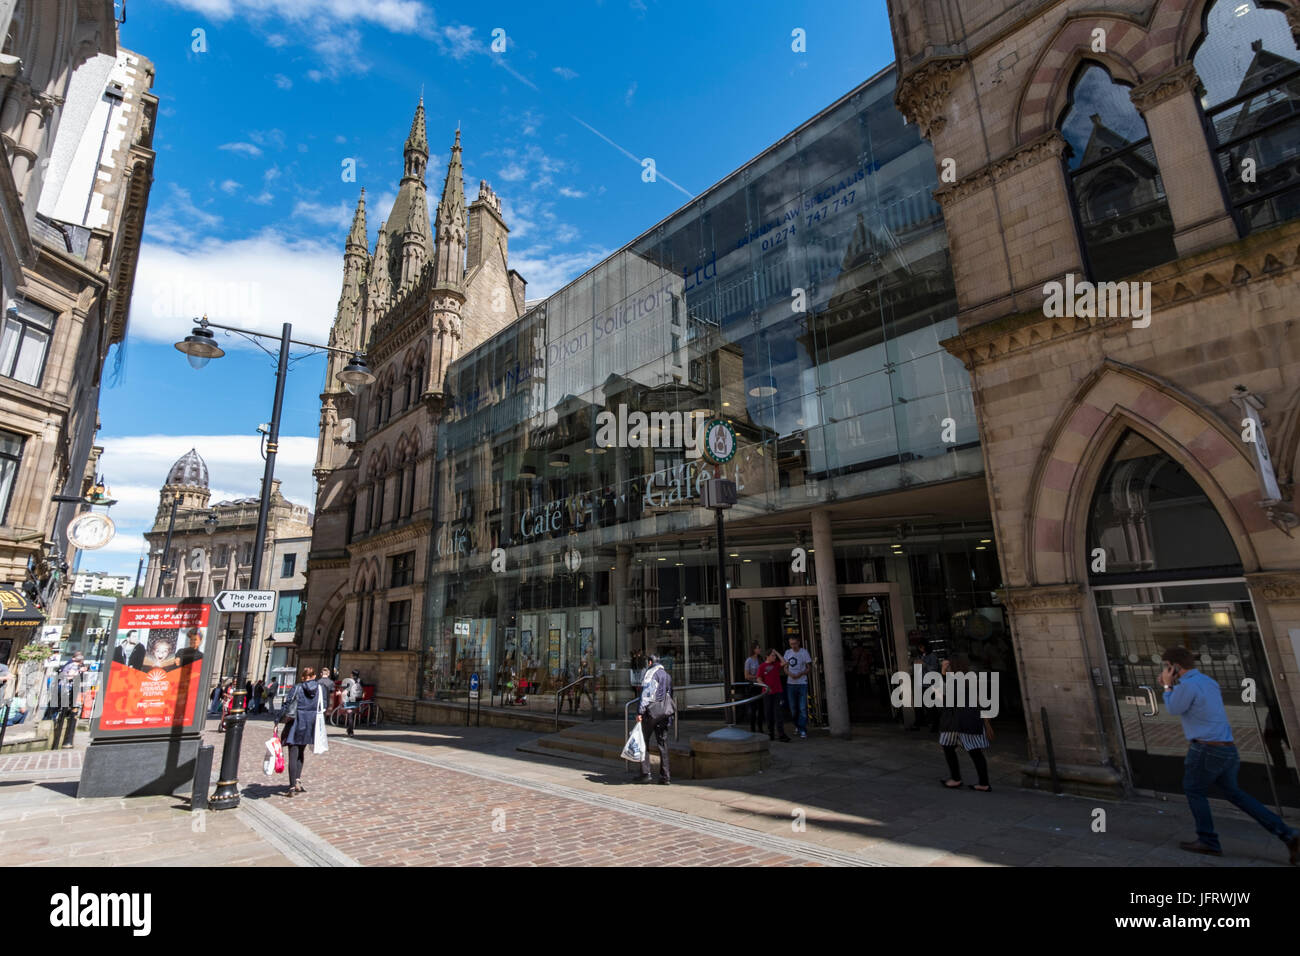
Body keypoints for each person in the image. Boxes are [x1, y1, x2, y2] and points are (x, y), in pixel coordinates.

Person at [1160, 646, 1299, 862]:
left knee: (1194, 790)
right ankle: (1288, 834)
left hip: (1206, 748)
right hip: (1227, 749)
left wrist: (1168, 687)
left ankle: (1207, 840)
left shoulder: (1187, 686)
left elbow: (1173, 709)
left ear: (1174, 667)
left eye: (1166, 668)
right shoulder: (1208, 681)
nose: (1164, 672)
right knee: (1235, 794)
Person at [938, 655, 992, 792]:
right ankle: (980, 782)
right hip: (969, 720)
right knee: (971, 751)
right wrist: (986, 721)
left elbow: (942, 697)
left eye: (948, 666)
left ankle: (958, 779)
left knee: (955, 748)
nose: (946, 667)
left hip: (958, 721)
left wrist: (943, 673)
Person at [278, 667, 320, 796]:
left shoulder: (297, 688)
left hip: (296, 723)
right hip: (309, 723)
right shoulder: (319, 689)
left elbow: (287, 705)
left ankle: (291, 787)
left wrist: (277, 721)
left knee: (293, 753)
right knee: (301, 752)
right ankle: (297, 781)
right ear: (314, 676)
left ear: (303, 677)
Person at [635, 653, 674, 785]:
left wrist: (640, 711)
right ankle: (665, 776)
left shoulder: (651, 673)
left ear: (651, 662)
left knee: (644, 741)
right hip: (664, 713)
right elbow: (670, 695)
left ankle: (645, 774)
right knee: (662, 744)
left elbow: (647, 694)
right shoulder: (667, 675)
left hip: (651, 713)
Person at [757, 649, 790, 742]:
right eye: (772, 655)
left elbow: (784, 662)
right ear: (767, 657)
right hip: (767, 693)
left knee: (778, 713)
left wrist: (777, 652)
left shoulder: (775, 665)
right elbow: (759, 679)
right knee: (768, 713)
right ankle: (771, 733)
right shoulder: (762, 666)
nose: (774, 657)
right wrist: (766, 687)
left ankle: (781, 734)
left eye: (774, 656)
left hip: (777, 692)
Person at [783, 635, 812, 738]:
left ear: (798, 643)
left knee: (802, 707)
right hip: (790, 683)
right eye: (791, 644)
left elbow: (809, 667)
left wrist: (801, 673)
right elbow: (785, 667)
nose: (793, 646)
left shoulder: (804, 652)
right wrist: (789, 674)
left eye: (795, 643)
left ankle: (802, 729)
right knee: (793, 708)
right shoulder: (787, 653)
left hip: (802, 683)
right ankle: (798, 726)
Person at [743, 644, 763, 732]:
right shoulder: (749, 660)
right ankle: (752, 728)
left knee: (761, 708)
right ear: (753, 649)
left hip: (761, 686)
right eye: (758, 648)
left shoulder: (761, 659)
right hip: (753, 686)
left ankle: (760, 727)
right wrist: (756, 677)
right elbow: (746, 676)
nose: (760, 649)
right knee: (753, 708)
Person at [340, 669, 363, 736]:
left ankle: (351, 732)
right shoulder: (360, 681)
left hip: (350, 700)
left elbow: (345, 691)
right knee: (352, 715)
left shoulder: (349, 681)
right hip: (357, 700)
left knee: (350, 716)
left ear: (352, 674)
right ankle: (349, 730)